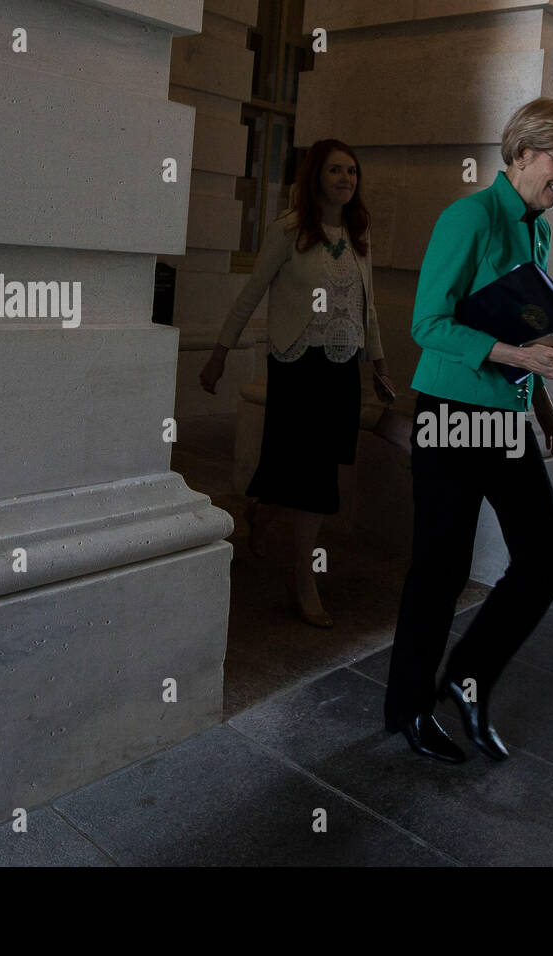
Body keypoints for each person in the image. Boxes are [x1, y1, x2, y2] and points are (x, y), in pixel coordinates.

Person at [383, 97, 553, 763]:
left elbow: (524, 327)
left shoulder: (538, 230)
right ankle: (409, 709)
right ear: (524, 152)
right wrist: (519, 358)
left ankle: (467, 683)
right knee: (440, 571)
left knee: (544, 560)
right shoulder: (467, 217)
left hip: (504, 417)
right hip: (449, 413)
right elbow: (427, 326)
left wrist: (544, 407)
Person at [200, 139, 395, 628]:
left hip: (341, 366)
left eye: (352, 171)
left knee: (314, 468)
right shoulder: (288, 230)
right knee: (308, 473)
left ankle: (263, 513)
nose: (346, 179)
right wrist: (220, 352)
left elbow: (367, 306)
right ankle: (303, 578)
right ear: (315, 177)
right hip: (297, 364)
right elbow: (251, 293)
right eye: (335, 170)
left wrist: (380, 365)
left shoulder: (358, 231)